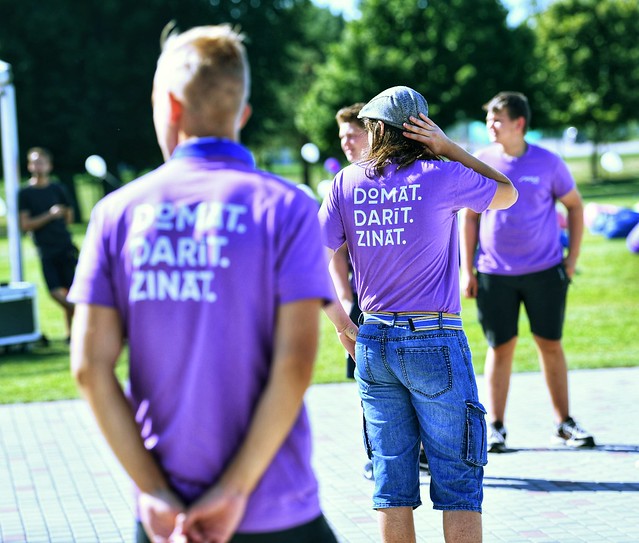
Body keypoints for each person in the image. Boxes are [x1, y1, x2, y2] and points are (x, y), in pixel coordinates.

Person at [69, 24, 339, 543]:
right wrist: (235, 491)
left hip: (167, 515)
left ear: (169, 106)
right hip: (273, 505)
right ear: (242, 114)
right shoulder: (287, 209)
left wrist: (153, 491)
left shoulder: (116, 214)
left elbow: (88, 367)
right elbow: (296, 363)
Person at [319, 86, 517, 543]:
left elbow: (306, 262)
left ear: (374, 129)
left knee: (392, 485)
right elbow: (507, 193)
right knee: (459, 481)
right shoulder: (442, 174)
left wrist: (342, 325)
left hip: (374, 341)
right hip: (435, 339)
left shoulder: (346, 182)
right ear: (420, 130)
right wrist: (449, 147)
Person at [459, 91, 595, 453]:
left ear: (519, 123)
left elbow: (576, 208)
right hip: (493, 274)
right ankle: (496, 427)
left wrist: (570, 260)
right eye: (489, 119)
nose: (490, 124)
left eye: (497, 119)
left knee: (549, 344)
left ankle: (563, 423)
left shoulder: (549, 163)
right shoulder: (481, 161)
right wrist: (467, 269)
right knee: (499, 347)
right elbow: (469, 218)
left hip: (545, 272)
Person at [18, 147, 77, 343]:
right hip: (46, 249)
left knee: (70, 289)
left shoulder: (58, 189)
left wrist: (59, 219)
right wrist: (49, 215)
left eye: (42, 162)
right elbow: (25, 224)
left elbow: (69, 216)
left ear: (49, 165)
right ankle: (84, 314)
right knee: (54, 291)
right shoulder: (25, 193)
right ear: (29, 165)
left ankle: (71, 334)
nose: (38, 166)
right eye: (35, 162)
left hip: (65, 246)